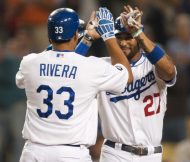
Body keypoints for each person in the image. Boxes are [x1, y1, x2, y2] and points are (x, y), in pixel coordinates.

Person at [16, 7, 133, 162]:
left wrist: (86, 38)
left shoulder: (29, 63)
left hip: (34, 152)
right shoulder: (91, 67)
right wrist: (108, 35)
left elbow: (60, 62)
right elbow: (127, 75)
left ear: (49, 36)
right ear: (75, 35)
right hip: (71, 154)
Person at [85, 5, 176, 162]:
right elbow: (69, 68)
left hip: (151, 154)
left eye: (128, 37)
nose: (123, 43)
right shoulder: (102, 67)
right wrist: (87, 38)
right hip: (115, 153)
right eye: (118, 37)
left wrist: (139, 33)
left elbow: (169, 71)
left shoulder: (152, 63)